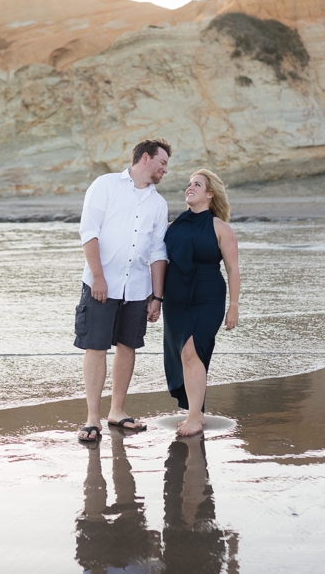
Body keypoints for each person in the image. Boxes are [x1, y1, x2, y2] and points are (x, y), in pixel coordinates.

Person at [73, 138, 171, 441]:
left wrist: (157, 296)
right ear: (145, 158)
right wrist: (99, 277)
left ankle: (117, 410)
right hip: (101, 283)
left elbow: (158, 252)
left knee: (128, 346)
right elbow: (89, 232)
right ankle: (92, 417)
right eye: (162, 163)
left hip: (138, 288)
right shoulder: (105, 185)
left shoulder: (158, 203)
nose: (165, 169)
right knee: (96, 346)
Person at [162, 169, 240, 437]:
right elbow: (158, 263)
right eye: (188, 184)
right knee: (184, 354)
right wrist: (154, 297)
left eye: (197, 184)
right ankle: (197, 411)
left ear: (210, 193)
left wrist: (234, 305)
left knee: (191, 352)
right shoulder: (172, 228)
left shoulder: (221, 228)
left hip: (208, 298)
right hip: (175, 299)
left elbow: (232, 269)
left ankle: (194, 417)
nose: (190, 188)